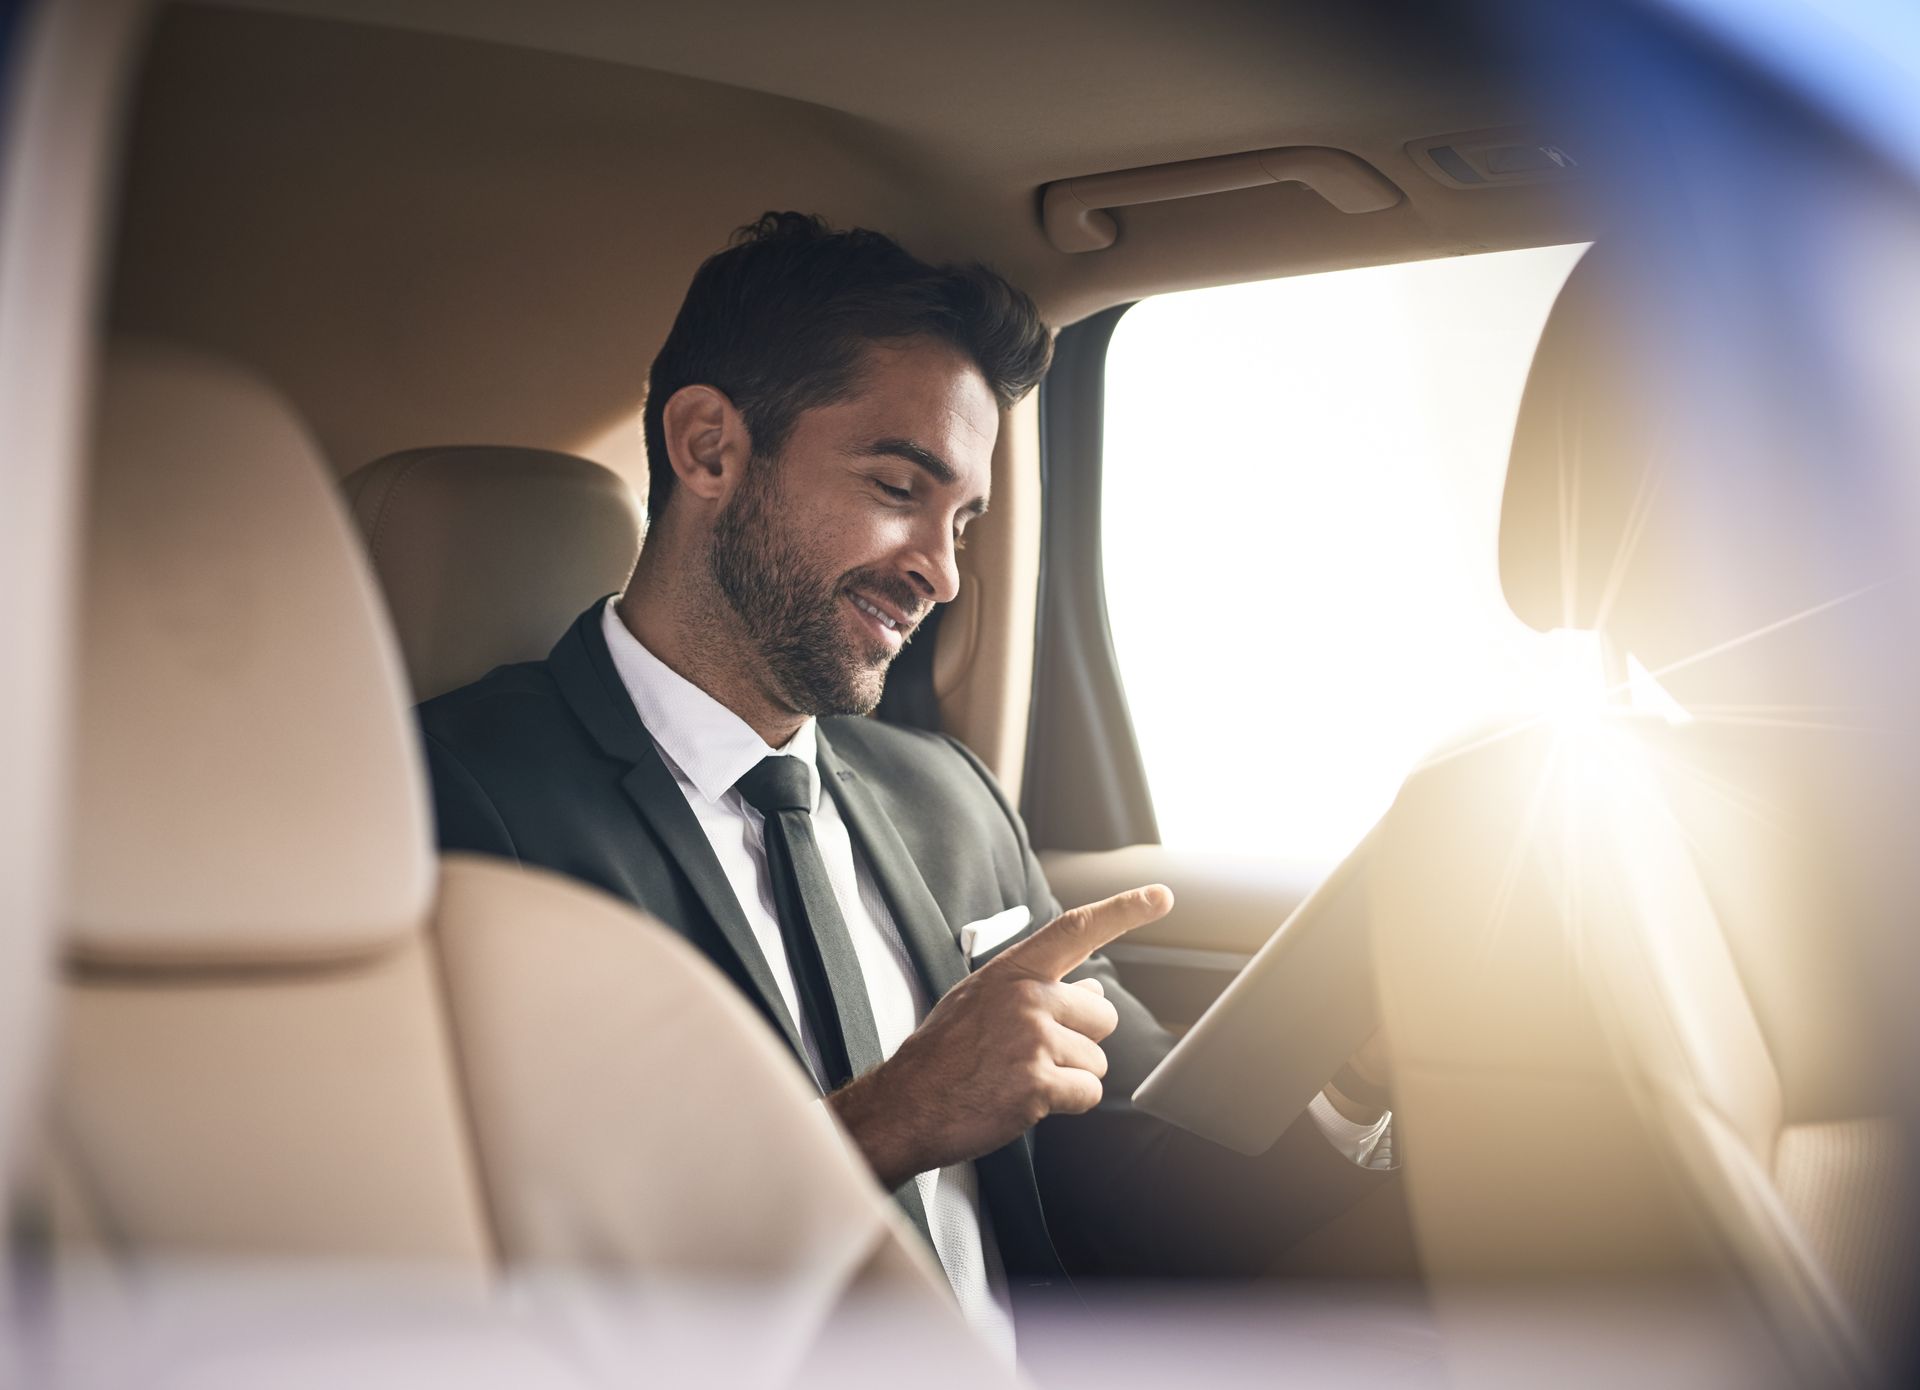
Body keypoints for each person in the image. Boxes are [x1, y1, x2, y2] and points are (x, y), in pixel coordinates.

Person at [418, 212, 1394, 1354]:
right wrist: (890, 1120)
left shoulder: (950, 801)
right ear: (709, 449)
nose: (942, 572)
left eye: (964, 522)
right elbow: (511, 1286)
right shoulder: (453, 802)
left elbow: (1144, 1193)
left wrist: (1362, 1066)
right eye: (897, 486)